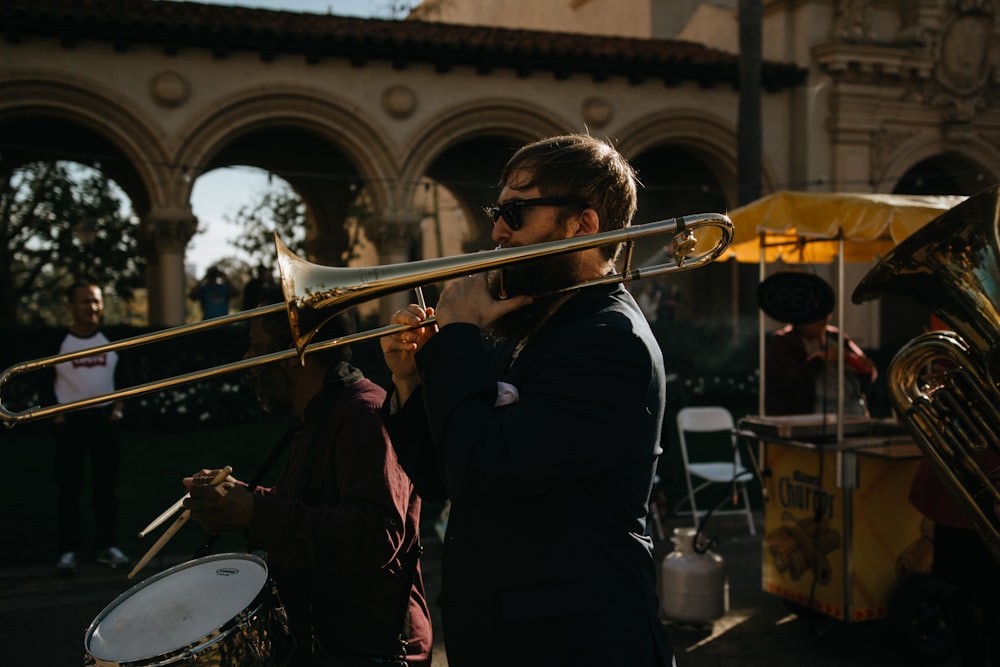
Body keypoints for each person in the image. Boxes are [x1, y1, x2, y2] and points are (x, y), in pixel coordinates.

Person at [380, 133, 675, 666]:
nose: (496, 229)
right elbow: (445, 478)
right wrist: (410, 383)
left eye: (516, 212)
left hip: (579, 642)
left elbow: (480, 469)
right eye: (499, 210)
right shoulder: (525, 325)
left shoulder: (609, 341)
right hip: (502, 634)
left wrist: (460, 337)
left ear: (584, 224)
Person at [182, 287, 432, 667]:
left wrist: (255, 513)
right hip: (333, 644)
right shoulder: (318, 415)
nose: (248, 361)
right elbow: (311, 506)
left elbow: (379, 534)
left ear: (295, 354)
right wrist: (239, 496)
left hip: (373, 651)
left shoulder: (362, 414)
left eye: (257, 347)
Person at [52, 278, 130, 573]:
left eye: (96, 300)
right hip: (69, 423)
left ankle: (106, 545)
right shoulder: (58, 342)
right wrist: (56, 414)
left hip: (105, 421)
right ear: (71, 306)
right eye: (85, 301)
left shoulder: (111, 339)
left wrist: (118, 411)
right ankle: (68, 550)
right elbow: (44, 378)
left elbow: (125, 379)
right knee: (68, 488)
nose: (92, 307)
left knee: (106, 488)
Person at [765, 309, 878, 416]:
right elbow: (786, 381)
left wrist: (865, 368)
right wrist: (821, 359)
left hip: (851, 413)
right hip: (807, 418)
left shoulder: (836, 337)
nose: (822, 320)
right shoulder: (784, 342)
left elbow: (868, 372)